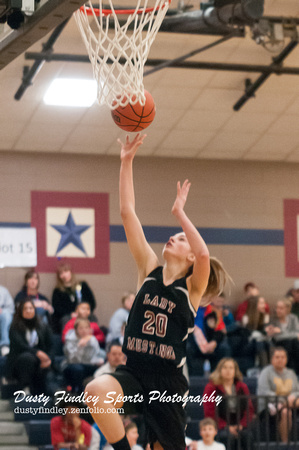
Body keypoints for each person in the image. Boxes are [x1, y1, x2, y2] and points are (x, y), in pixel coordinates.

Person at [84, 133, 230, 450]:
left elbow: (204, 255)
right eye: (175, 235)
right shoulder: (148, 269)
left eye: (180, 239)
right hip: (134, 372)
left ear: (190, 256)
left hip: (167, 384)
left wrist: (180, 212)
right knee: (95, 392)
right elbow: (127, 213)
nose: (173, 239)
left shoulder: (192, 288)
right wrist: (126, 161)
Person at [203, 358, 254, 450]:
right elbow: (209, 411)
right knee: (227, 437)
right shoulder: (211, 387)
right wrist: (225, 426)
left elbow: (249, 409)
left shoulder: (242, 386)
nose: (228, 371)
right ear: (219, 370)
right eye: (225, 368)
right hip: (220, 424)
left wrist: (242, 424)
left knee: (247, 436)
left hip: (240, 423)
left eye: (231, 368)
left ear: (235, 371)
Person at [6, 299, 52, 394]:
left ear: (34, 310)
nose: (28, 310)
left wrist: (49, 358)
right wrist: (38, 353)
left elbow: (50, 344)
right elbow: (20, 346)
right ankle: (25, 388)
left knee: (48, 370)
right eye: (25, 309)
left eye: (31, 308)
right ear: (21, 311)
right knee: (28, 358)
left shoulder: (42, 325)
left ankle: (47, 394)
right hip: (19, 359)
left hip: (41, 359)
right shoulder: (14, 326)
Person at [257, 346, 299, 443]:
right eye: (277, 357)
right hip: (269, 406)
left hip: (289, 403)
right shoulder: (266, 372)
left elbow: (297, 390)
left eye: (282, 357)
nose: (280, 359)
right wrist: (284, 400)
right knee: (285, 412)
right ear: (272, 359)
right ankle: (285, 443)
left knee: (287, 407)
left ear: (286, 359)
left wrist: (291, 397)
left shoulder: (291, 373)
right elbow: (264, 392)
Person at [51, 261, 96, 333]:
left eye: (66, 271)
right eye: (61, 273)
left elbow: (92, 302)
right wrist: (71, 314)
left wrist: (84, 312)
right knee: (65, 320)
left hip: (85, 314)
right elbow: (57, 308)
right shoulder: (57, 291)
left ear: (70, 272)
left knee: (93, 318)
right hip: (68, 316)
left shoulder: (82, 285)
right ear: (59, 276)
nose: (64, 275)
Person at [63, 318, 106, 392]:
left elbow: (97, 353)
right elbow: (72, 359)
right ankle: (78, 392)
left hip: (89, 363)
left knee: (103, 366)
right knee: (78, 369)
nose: (84, 330)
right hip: (73, 364)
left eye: (86, 328)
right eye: (81, 328)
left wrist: (98, 360)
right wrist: (80, 346)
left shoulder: (92, 339)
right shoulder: (70, 339)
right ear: (76, 330)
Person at [265, 297, 299, 373]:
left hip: (292, 344)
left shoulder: (293, 318)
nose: (278, 310)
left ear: (287, 309)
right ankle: (292, 371)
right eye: (277, 308)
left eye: (281, 308)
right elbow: (277, 338)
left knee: (294, 342)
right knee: (290, 341)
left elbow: (297, 333)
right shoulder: (273, 319)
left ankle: (294, 372)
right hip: (278, 344)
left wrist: (280, 331)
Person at [241, 295, 270, 367]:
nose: (264, 306)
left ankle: (267, 367)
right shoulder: (246, 317)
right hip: (249, 343)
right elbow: (247, 334)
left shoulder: (265, 316)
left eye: (264, 303)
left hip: (263, 341)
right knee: (259, 343)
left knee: (267, 343)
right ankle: (264, 367)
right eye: (261, 303)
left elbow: (266, 332)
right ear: (255, 305)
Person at [0, 285, 14, 356]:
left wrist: (2, 310)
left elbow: (11, 309)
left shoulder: (3, 291)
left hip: (1, 316)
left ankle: (4, 345)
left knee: (6, 314)